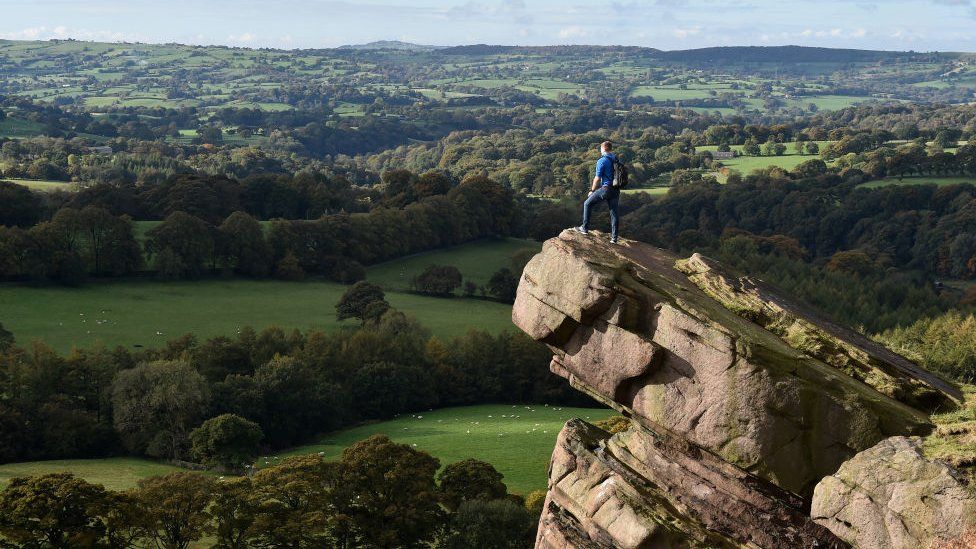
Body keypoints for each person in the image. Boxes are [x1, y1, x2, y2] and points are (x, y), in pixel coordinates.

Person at [574, 141, 619, 243]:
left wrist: (592, 190)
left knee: (587, 204)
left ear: (603, 149)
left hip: (606, 188)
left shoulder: (602, 160)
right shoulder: (615, 159)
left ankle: (584, 229)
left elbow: (597, 178)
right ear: (610, 149)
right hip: (616, 189)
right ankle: (614, 238)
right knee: (614, 213)